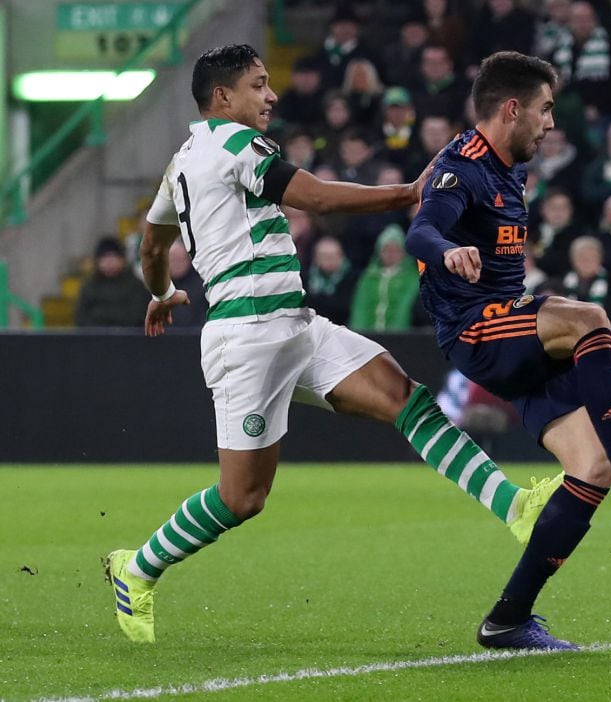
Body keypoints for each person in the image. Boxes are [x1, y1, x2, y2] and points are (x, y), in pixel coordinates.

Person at [104, 45, 560, 646]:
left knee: (407, 398)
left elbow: (151, 245)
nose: (270, 96)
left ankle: (515, 508)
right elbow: (312, 197)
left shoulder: (180, 162)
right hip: (246, 338)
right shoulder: (234, 143)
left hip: (293, 322)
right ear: (222, 98)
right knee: (243, 498)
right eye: (258, 86)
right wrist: (405, 194)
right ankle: (135, 567)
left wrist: (163, 291)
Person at [406, 51, 611, 651]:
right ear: (512, 108)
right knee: (591, 319)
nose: (550, 123)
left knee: (586, 469)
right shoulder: (462, 166)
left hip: (512, 330)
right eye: (545, 110)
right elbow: (420, 228)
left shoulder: (511, 167)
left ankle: (509, 618)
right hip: (476, 329)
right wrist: (445, 250)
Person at [74, 237, 148, 328]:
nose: (109, 262)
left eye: (113, 256)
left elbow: (137, 316)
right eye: (105, 257)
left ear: (122, 260)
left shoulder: (135, 286)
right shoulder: (89, 286)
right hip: (94, 338)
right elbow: (81, 317)